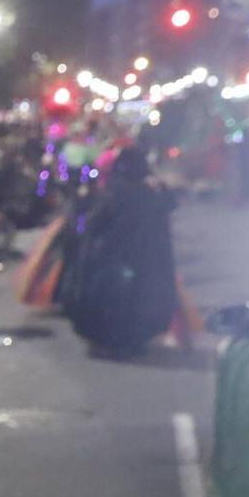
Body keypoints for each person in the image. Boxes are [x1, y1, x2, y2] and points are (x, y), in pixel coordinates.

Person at [64, 147, 182, 356]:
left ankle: (112, 341)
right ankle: (134, 340)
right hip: (144, 263)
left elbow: (95, 223)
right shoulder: (150, 193)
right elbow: (170, 204)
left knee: (112, 301)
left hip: (113, 261)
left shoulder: (114, 191)